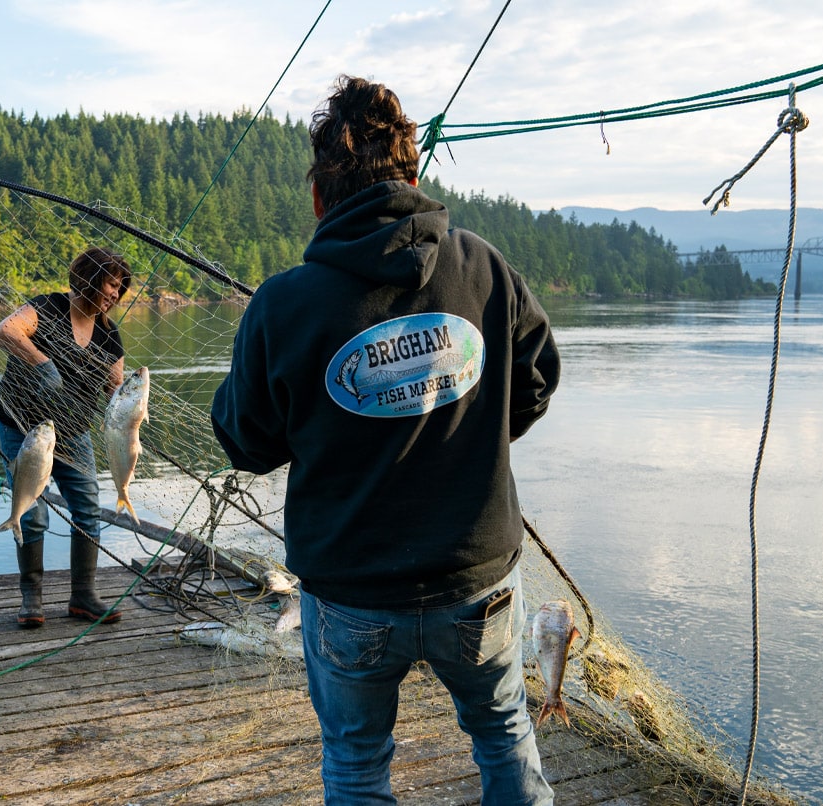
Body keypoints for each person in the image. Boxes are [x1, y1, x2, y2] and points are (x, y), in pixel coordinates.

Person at [210, 76, 561, 804]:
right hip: (478, 580)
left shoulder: (284, 302)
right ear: (412, 176)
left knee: (357, 763)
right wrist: (467, 438)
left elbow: (245, 442)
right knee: (501, 731)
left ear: (318, 195)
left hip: (350, 594)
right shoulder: (485, 266)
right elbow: (533, 383)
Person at [0, 246, 131, 628]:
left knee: (87, 507)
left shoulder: (109, 336)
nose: (114, 295)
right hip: (24, 428)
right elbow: (6, 331)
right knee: (32, 513)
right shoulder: (48, 307)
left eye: (120, 289)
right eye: (109, 284)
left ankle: (83, 596)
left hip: (72, 433)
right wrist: (43, 364)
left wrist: (129, 399)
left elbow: (114, 388)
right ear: (88, 279)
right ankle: (31, 597)